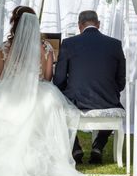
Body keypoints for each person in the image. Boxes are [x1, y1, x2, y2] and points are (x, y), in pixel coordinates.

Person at [0, 6, 98, 176]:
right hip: (40, 92)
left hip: (9, 94)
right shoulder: (46, 47)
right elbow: (48, 77)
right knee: (47, 112)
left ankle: (8, 164)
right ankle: (42, 165)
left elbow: (0, 78)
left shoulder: (4, 48)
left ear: (15, 22)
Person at [53, 10, 127, 164]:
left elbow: (59, 79)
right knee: (116, 102)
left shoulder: (68, 44)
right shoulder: (115, 44)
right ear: (98, 24)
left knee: (57, 108)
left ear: (80, 26)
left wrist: (69, 91)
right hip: (108, 101)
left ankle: (76, 148)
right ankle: (98, 146)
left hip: (77, 101)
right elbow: (121, 81)